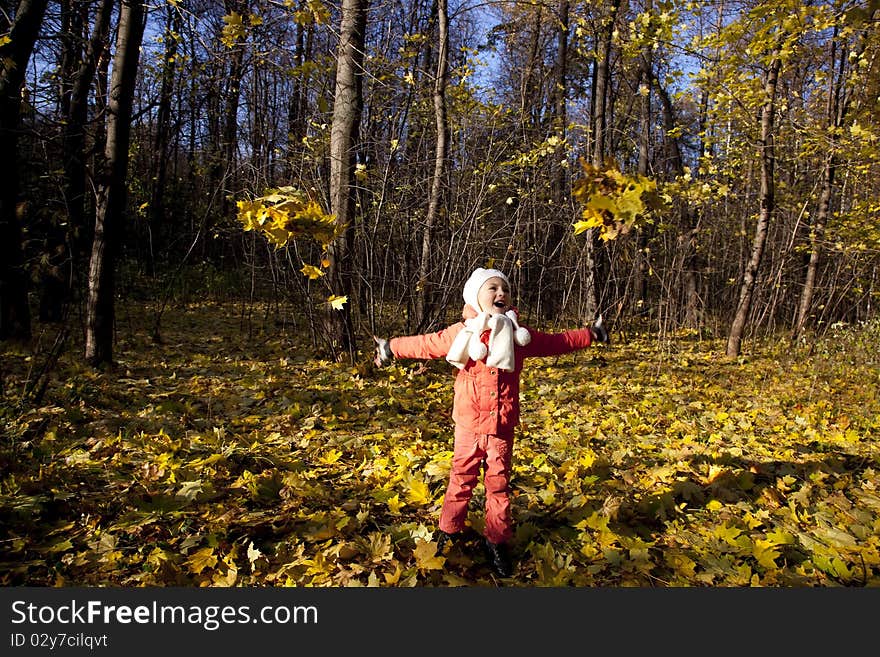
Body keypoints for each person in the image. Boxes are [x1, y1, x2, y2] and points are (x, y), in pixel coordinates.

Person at [373, 267, 609, 578]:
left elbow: (556, 342)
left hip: (501, 425)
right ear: (476, 296)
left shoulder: (518, 335)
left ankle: (496, 540)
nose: (500, 293)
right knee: (461, 480)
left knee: (498, 485)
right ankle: (449, 532)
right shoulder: (462, 333)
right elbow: (425, 345)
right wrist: (390, 347)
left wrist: (590, 334)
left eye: (505, 289)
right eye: (492, 288)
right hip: (469, 425)